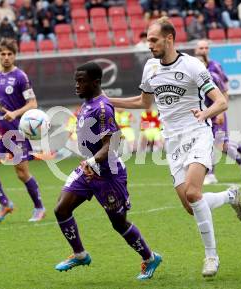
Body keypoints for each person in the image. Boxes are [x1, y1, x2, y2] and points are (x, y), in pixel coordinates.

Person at [108, 17, 241, 278]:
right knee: (189, 205)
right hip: (172, 141)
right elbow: (143, 102)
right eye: (148, 40)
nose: (148, 45)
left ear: (169, 39)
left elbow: (221, 101)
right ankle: (230, 196)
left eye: (153, 40)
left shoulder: (192, 65)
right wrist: (108, 100)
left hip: (197, 134)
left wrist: (205, 114)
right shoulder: (150, 67)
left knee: (194, 194)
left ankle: (211, 256)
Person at [53, 62, 162, 280]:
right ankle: (80, 254)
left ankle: (150, 258)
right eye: (76, 80)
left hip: (109, 175)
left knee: (119, 223)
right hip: (89, 170)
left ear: (95, 82)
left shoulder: (102, 108)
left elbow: (111, 143)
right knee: (61, 209)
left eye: (81, 81)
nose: (76, 85)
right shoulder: (87, 104)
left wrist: (92, 160)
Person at [0, 39, 46, 224]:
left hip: (17, 134)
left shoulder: (21, 77)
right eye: (3, 54)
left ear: (15, 56)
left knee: (22, 174)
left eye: (10, 54)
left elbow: (33, 104)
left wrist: (14, 114)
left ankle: (39, 208)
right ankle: (5, 204)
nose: (6, 57)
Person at [194, 39, 241, 184]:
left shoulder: (213, 72)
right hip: (203, 114)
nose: (203, 50)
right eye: (200, 48)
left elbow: (224, 90)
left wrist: (220, 112)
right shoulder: (191, 75)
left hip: (216, 112)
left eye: (205, 47)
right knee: (211, 143)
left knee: (220, 143)